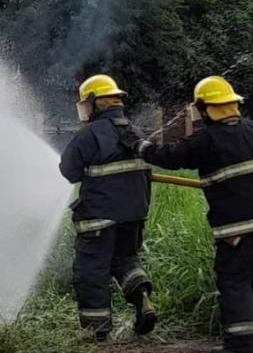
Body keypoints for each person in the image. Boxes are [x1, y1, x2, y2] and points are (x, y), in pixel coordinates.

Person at [123, 76, 253, 353]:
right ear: (233, 104)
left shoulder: (207, 139)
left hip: (238, 226)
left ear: (204, 108)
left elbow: (169, 157)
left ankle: (241, 344)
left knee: (234, 280)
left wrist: (138, 145)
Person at [59, 74, 157, 342]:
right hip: (134, 215)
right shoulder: (134, 132)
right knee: (125, 261)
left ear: (93, 102)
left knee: (91, 269)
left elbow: (68, 171)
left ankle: (97, 330)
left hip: (99, 217)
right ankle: (142, 298)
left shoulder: (89, 135)